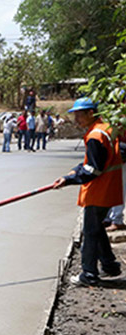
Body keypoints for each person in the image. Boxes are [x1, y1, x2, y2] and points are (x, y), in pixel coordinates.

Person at [52, 97, 123, 286]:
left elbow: (93, 170)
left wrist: (68, 180)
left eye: (80, 115)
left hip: (99, 191)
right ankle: (110, 266)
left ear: (91, 113)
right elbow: (92, 162)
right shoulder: (105, 128)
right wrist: (75, 171)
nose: (76, 120)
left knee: (90, 232)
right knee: (97, 228)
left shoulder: (95, 136)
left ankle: (88, 274)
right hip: (109, 188)